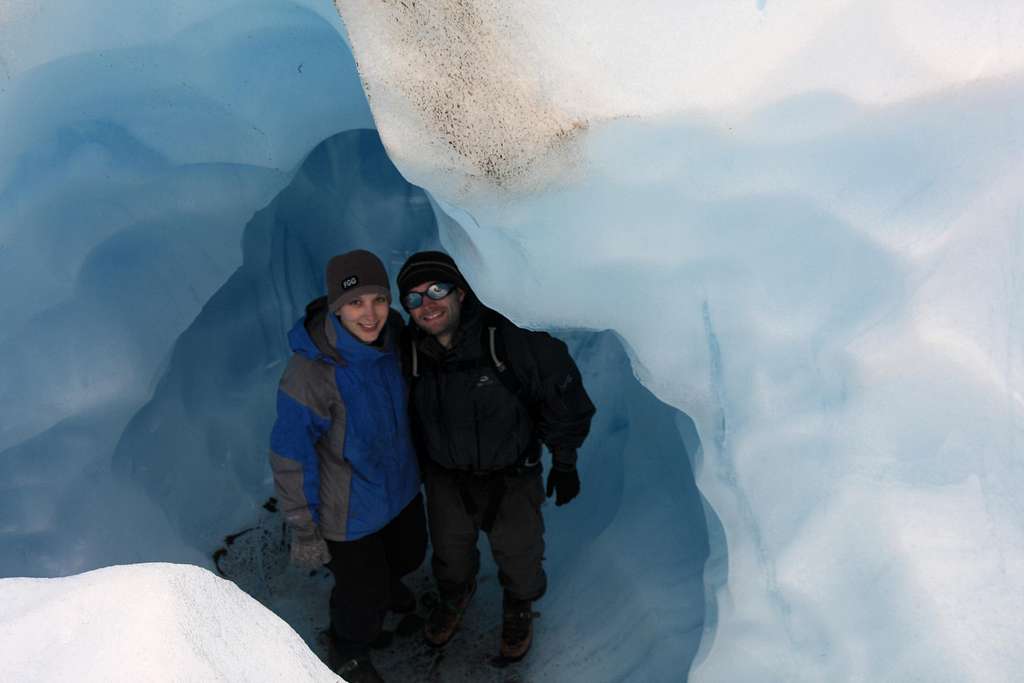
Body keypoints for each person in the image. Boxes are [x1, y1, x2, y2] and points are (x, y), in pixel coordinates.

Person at [396, 251, 595, 662]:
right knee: (450, 552)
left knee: (520, 553)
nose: (426, 305)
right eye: (413, 299)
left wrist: (564, 460)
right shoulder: (411, 353)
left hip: (511, 475)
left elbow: (561, 396)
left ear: (462, 293)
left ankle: (519, 605)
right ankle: (456, 594)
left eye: (436, 290)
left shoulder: (507, 340)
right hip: (446, 476)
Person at [269, 250, 426, 683]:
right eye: (355, 303)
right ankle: (348, 649)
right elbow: (290, 454)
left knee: (410, 554)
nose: (369, 314)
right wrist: (303, 526)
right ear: (336, 307)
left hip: (399, 488)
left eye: (378, 300)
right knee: (361, 594)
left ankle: (387, 586)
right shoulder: (310, 373)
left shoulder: (394, 339)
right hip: (348, 506)